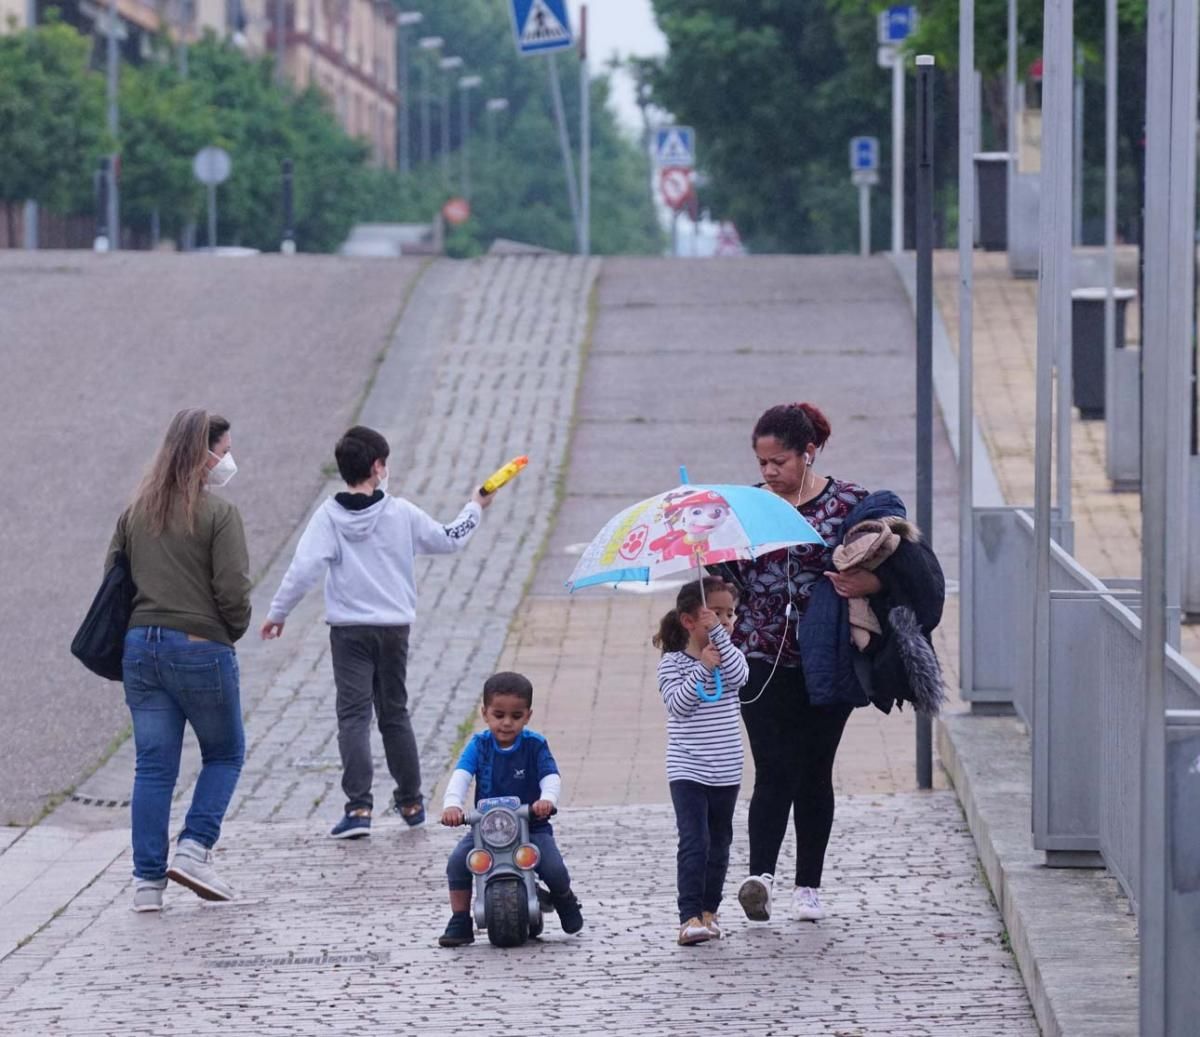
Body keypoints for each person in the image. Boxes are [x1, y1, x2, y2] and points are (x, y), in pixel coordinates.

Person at [260, 425, 491, 839]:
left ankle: (359, 809)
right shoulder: (400, 513)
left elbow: (303, 570)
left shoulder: (328, 517)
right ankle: (412, 801)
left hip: (348, 631)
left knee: (353, 717)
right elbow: (448, 539)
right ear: (377, 467)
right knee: (394, 713)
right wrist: (475, 506)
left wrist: (278, 612)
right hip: (394, 629)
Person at [714, 402, 875, 925]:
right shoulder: (746, 508)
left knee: (814, 770)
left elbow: (891, 571)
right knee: (772, 767)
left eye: (778, 461)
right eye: (761, 463)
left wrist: (864, 583)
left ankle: (809, 885)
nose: (768, 473)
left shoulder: (849, 503)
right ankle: (761, 876)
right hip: (759, 655)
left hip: (827, 657)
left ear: (807, 453)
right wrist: (709, 559)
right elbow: (730, 584)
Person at [106, 408, 251, 912]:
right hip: (199, 645)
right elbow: (233, 589)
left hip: (140, 648)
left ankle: (147, 883)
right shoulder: (218, 514)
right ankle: (193, 848)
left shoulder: (134, 513)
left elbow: (114, 582)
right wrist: (227, 630)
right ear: (203, 455)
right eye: (225, 452)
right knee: (226, 752)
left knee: (153, 766)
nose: (228, 461)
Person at [437, 672, 584, 947]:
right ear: (485, 713)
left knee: (552, 866)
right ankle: (459, 919)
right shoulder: (479, 746)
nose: (506, 723)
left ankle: (564, 898)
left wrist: (547, 800)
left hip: (531, 826)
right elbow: (461, 774)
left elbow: (550, 776)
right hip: (485, 829)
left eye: (516, 716)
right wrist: (452, 806)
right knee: (458, 861)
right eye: (499, 715)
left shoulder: (534, 745)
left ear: (528, 715)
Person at [654, 577, 750, 945]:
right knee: (695, 841)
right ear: (688, 621)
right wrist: (703, 668)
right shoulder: (673, 664)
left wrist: (721, 646)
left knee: (720, 842)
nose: (726, 621)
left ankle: (710, 911)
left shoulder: (730, 658)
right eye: (716, 614)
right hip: (688, 768)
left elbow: (741, 677)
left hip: (726, 768)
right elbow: (679, 705)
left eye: (730, 614)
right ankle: (688, 916)